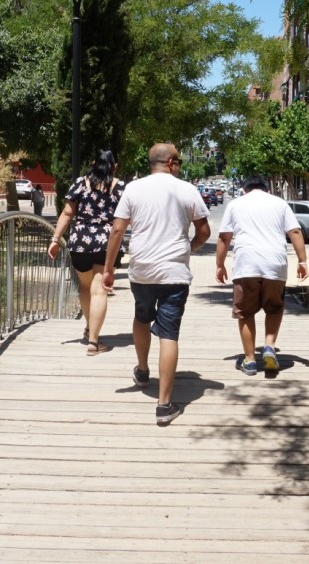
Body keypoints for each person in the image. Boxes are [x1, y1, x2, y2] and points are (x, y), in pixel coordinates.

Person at [103, 143, 210, 425]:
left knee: (141, 317)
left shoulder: (133, 189)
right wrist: (190, 248)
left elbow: (117, 229)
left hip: (142, 271)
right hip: (174, 273)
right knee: (169, 334)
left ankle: (141, 369)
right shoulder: (187, 189)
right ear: (171, 163)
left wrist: (108, 269)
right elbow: (204, 232)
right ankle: (164, 405)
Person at [215, 176, 308, 375]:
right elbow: (295, 232)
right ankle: (269, 346)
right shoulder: (280, 203)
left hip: (246, 264)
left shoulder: (236, 204)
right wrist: (302, 261)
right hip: (275, 263)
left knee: (246, 312)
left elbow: (224, 237)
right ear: (267, 189)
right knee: (274, 308)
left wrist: (220, 265)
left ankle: (249, 360)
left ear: (245, 190)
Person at [47, 149, 124, 355]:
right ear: (114, 166)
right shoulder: (121, 187)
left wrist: (55, 239)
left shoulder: (81, 183)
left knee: (85, 287)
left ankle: (89, 328)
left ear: (93, 163)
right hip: (107, 242)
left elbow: (67, 212)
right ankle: (93, 341)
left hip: (80, 241)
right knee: (100, 290)